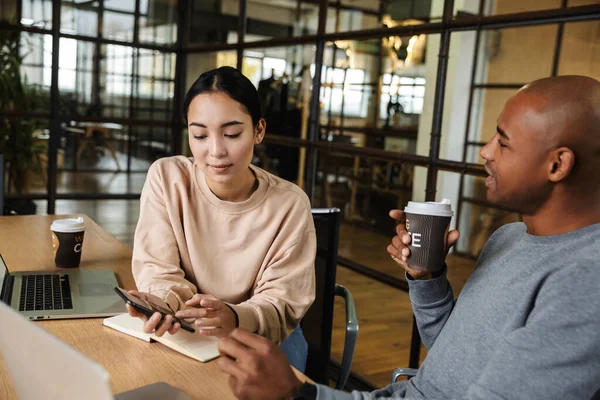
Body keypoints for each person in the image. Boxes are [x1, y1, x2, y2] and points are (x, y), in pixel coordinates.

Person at [216, 75, 600, 400]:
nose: (485, 152)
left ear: (557, 164)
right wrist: (427, 276)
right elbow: (452, 357)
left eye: (503, 141)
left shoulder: (586, 284)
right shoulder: (510, 238)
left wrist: (298, 395)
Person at [126, 66, 316, 372]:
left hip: (262, 335)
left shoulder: (290, 204)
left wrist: (234, 316)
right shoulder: (167, 178)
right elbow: (157, 268)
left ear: (259, 131)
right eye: (200, 135)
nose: (215, 151)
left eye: (231, 134)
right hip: (188, 326)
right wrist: (163, 304)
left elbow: (282, 302)